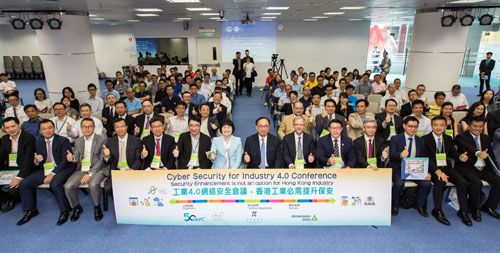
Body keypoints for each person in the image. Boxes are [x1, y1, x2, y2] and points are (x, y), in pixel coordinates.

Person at [17, 119, 76, 226]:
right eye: (44, 129)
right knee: (24, 184)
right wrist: (37, 160)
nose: (47, 131)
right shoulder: (38, 141)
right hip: (46, 168)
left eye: (50, 128)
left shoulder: (63, 140)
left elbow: (65, 161)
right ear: (40, 131)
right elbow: (39, 162)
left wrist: (52, 174)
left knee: (54, 184)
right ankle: (31, 210)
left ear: (54, 128)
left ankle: (65, 210)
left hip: (63, 168)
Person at [423, 116, 471, 226]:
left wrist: (460, 157)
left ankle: (463, 211)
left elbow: (453, 154)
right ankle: (437, 210)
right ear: (431, 126)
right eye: (435, 125)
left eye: (441, 125)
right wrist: (437, 171)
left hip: (447, 168)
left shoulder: (448, 138)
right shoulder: (425, 139)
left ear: (445, 126)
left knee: (462, 182)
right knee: (440, 182)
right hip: (433, 169)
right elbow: (426, 158)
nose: (438, 127)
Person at [454, 116, 499, 220]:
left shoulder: (486, 138)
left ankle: (489, 206)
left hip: (483, 168)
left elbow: (491, 155)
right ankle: (475, 209)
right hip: (466, 167)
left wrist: (496, 170)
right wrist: (478, 153)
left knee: (498, 180)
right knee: (476, 182)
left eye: (480, 127)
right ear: (469, 126)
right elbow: (469, 147)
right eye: (475, 126)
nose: (477, 129)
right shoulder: (460, 137)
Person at [64, 118, 108, 222]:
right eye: (84, 127)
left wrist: (90, 173)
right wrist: (72, 159)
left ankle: (97, 207)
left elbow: (102, 160)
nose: (87, 129)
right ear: (81, 128)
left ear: (94, 127)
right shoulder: (78, 140)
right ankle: (76, 207)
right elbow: (77, 159)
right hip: (82, 168)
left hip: (98, 168)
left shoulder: (102, 139)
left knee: (93, 184)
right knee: (68, 186)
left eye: (90, 126)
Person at [389, 116, 432, 217]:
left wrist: (427, 172)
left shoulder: (421, 140)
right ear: (404, 126)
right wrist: (400, 154)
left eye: (415, 127)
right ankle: (394, 205)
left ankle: (420, 205)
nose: (413, 129)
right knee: (398, 184)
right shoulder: (395, 138)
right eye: (410, 126)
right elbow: (391, 154)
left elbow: (424, 158)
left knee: (427, 184)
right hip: (399, 168)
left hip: (416, 169)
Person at [0, 117, 35, 213]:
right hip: (11, 168)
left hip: (26, 168)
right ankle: (7, 199)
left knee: (13, 189)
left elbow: (28, 159)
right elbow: (2, 155)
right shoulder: (5, 138)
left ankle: (14, 199)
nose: (11, 129)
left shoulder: (28, 138)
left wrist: (19, 177)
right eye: (7, 128)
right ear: (4, 129)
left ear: (19, 125)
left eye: (13, 126)